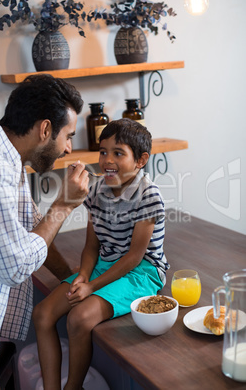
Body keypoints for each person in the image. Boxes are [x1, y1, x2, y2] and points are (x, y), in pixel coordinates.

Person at [33, 118, 169, 390]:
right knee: (42, 315)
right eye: (103, 151)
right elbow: (92, 246)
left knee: (79, 318)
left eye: (118, 153)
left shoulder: (149, 195)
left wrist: (92, 286)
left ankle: (73, 387)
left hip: (141, 272)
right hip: (104, 264)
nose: (107, 160)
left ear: (141, 159)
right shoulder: (96, 190)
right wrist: (82, 276)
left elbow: (134, 257)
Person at [0, 74, 89, 389]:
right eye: (68, 135)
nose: (68, 148)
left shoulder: (4, 156)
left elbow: (31, 225)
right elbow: (15, 264)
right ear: (45, 129)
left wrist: (70, 278)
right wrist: (64, 206)